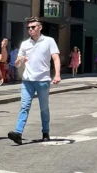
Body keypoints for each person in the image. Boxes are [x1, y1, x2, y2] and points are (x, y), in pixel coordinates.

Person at [8, 17, 61, 145]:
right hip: (27, 80)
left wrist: (57, 74)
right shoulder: (25, 44)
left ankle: (45, 132)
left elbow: (55, 58)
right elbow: (17, 62)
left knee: (44, 108)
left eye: (33, 27)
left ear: (40, 27)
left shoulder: (49, 41)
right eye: (29, 28)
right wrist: (19, 61)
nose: (30, 30)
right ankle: (18, 133)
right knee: (24, 106)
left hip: (43, 80)